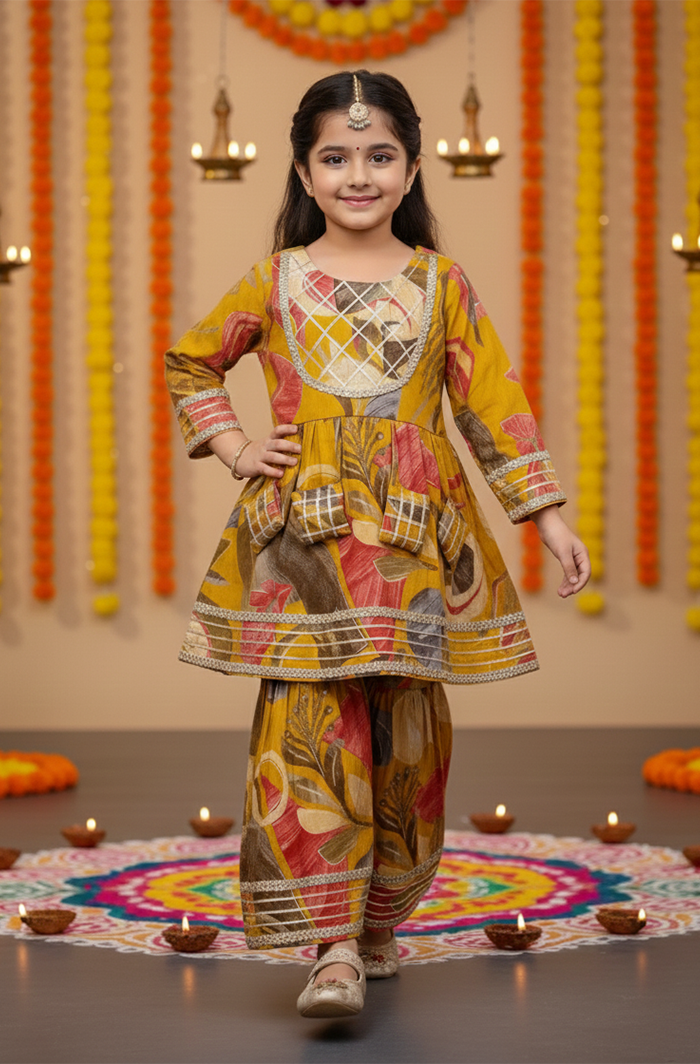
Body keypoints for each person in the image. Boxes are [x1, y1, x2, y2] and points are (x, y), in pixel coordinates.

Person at [164, 70, 590, 1018]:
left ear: (411, 167)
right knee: (307, 734)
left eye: (379, 156)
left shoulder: (442, 284)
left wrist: (547, 518)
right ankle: (331, 949)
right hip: (304, 550)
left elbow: (491, 404)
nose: (358, 175)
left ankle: (378, 915)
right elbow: (192, 360)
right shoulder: (275, 279)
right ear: (304, 174)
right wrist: (235, 446)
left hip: (412, 554)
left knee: (409, 739)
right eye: (336, 157)